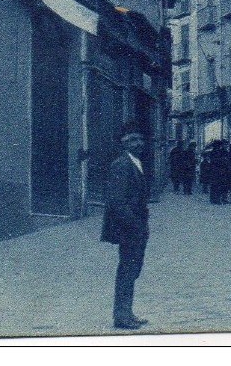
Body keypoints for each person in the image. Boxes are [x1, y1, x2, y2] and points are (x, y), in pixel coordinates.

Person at [100, 124, 150, 330]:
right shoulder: (121, 164)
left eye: (139, 139)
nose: (137, 143)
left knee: (132, 270)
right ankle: (121, 316)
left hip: (136, 226)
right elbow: (116, 201)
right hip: (129, 228)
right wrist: (136, 225)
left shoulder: (136, 162)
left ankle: (127, 312)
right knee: (128, 270)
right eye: (131, 140)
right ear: (123, 143)